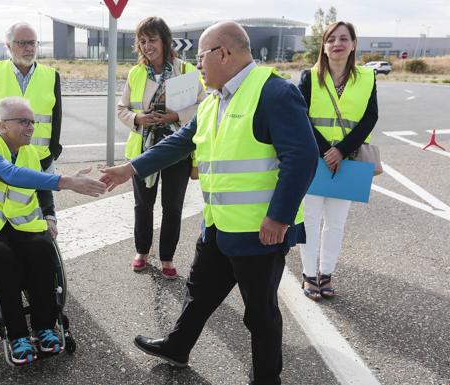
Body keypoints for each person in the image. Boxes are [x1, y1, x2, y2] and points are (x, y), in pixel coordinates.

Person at [100, 21, 317, 385]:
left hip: (258, 231)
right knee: (199, 293)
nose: (197, 64)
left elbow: (303, 157)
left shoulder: (273, 93)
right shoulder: (215, 98)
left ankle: (266, 378)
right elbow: (180, 142)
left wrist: (279, 218)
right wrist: (130, 169)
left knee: (260, 313)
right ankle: (177, 346)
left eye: (200, 56)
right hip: (219, 224)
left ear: (224, 53)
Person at [0, 97, 106, 365]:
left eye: (33, 122)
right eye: (23, 121)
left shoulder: (29, 153)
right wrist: (67, 181)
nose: (31, 127)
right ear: (2, 125)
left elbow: (40, 188)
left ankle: (45, 327)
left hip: (20, 227)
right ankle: (17, 335)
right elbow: (11, 175)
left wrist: (49, 216)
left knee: (42, 248)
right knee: (2, 257)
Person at [117, 16, 206, 279]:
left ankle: (167, 257)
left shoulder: (187, 72)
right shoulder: (135, 73)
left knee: (172, 207)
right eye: (142, 41)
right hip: (143, 151)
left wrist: (175, 117)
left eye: (152, 40)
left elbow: (204, 108)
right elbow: (122, 108)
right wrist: (137, 118)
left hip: (176, 150)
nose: (147, 46)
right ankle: (142, 251)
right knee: (143, 206)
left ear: (165, 41)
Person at [297, 21, 378, 301]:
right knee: (309, 220)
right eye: (331, 39)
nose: (337, 43)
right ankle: (309, 275)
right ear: (324, 45)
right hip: (314, 159)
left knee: (336, 222)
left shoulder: (367, 78)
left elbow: (370, 118)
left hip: (348, 159)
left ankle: (326, 273)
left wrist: (341, 150)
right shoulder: (309, 77)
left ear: (354, 44)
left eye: (344, 38)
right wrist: (325, 151)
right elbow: (301, 117)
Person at [0, 22, 62, 174]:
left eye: (32, 43)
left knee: (44, 199)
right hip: (1, 162)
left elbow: (56, 119)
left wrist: (53, 151)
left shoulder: (52, 76)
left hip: (41, 162)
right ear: (8, 46)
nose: (29, 48)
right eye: (22, 43)